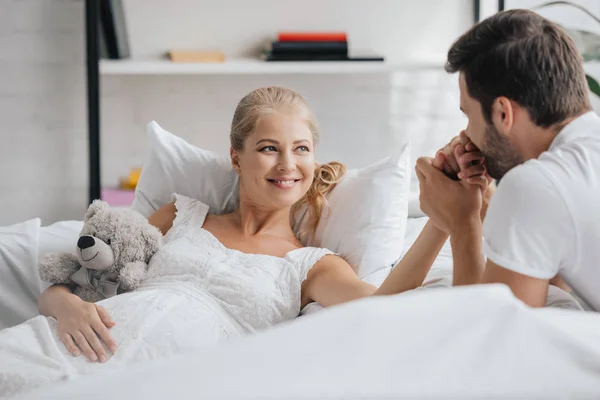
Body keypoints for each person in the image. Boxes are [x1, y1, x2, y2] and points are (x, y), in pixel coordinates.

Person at [0, 86, 487, 397]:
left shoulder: (313, 265)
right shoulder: (180, 214)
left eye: (301, 150)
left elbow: (384, 305)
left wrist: (442, 219)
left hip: (152, 383)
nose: (286, 165)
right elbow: (74, 282)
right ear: (236, 157)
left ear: (314, 161)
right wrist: (64, 306)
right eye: (268, 149)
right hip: (55, 346)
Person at [415, 9, 600, 310]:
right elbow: (557, 266)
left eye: (469, 116)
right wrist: (485, 204)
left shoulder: (535, 186)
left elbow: (494, 340)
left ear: (503, 113)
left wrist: (463, 225)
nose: (466, 134)